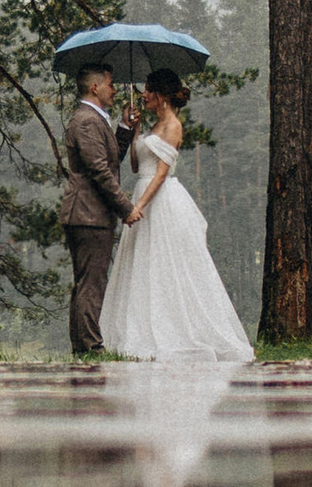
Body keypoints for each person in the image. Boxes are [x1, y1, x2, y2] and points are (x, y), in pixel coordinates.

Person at [104, 73, 255, 363]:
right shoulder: (152, 126)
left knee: (168, 263)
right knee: (142, 263)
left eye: (148, 91)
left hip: (159, 201)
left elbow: (161, 174)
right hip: (142, 191)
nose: (144, 95)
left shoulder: (173, 126)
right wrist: (135, 132)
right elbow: (137, 167)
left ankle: (177, 329)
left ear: (162, 95)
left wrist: (139, 207)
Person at [58, 65, 134, 356]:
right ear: (95, 88)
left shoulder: (93, 120)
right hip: (89, 214)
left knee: (85, 282)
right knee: (92, 282)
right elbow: (100, 171)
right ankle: (91, 347)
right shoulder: (87, 121)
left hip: (87, 213)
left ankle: (81, 346)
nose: (114, 90)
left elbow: (110, 159)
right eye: (111, 84)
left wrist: (125, 129)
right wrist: (125, 207)